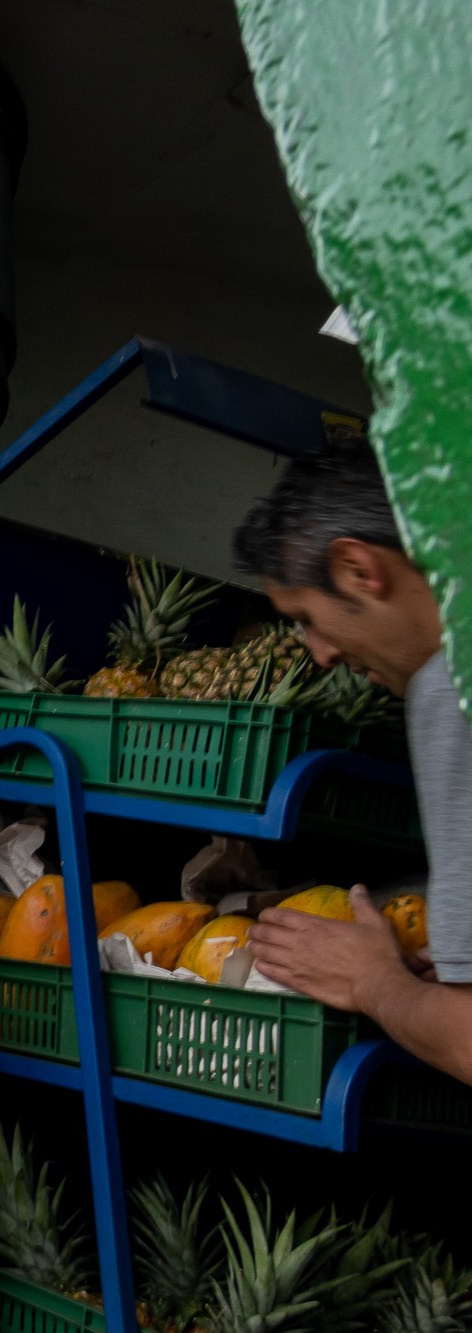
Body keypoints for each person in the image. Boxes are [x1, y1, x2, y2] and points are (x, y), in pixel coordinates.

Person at [235, 439, 472, 1084]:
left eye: (307, 618)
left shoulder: (451, 686)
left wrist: (373, 981)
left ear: (358, 568)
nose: (321, 654)